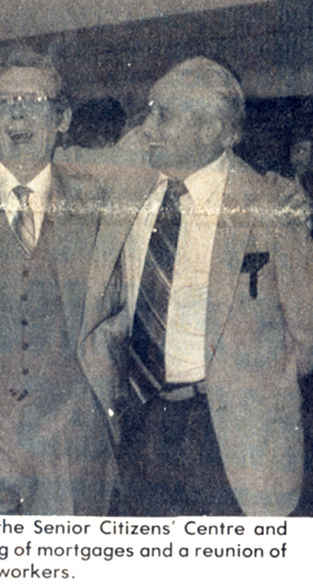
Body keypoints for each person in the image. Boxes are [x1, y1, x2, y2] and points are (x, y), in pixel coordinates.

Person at [83, 57, 313, 516]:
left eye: (162, 113)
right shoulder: (130, 181)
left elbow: (306, 336)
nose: (147, 124)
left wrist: (248, 382)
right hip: (140, 419)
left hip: (230, 439)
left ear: (213, 130)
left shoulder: (270, 205)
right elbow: (48, 162)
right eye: (149, 110)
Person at [0, 47, 117, 516]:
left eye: (35, 101)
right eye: (4, 101)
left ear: (63, 118)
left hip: (71, 451)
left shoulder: (101, 200)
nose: (18, 112)